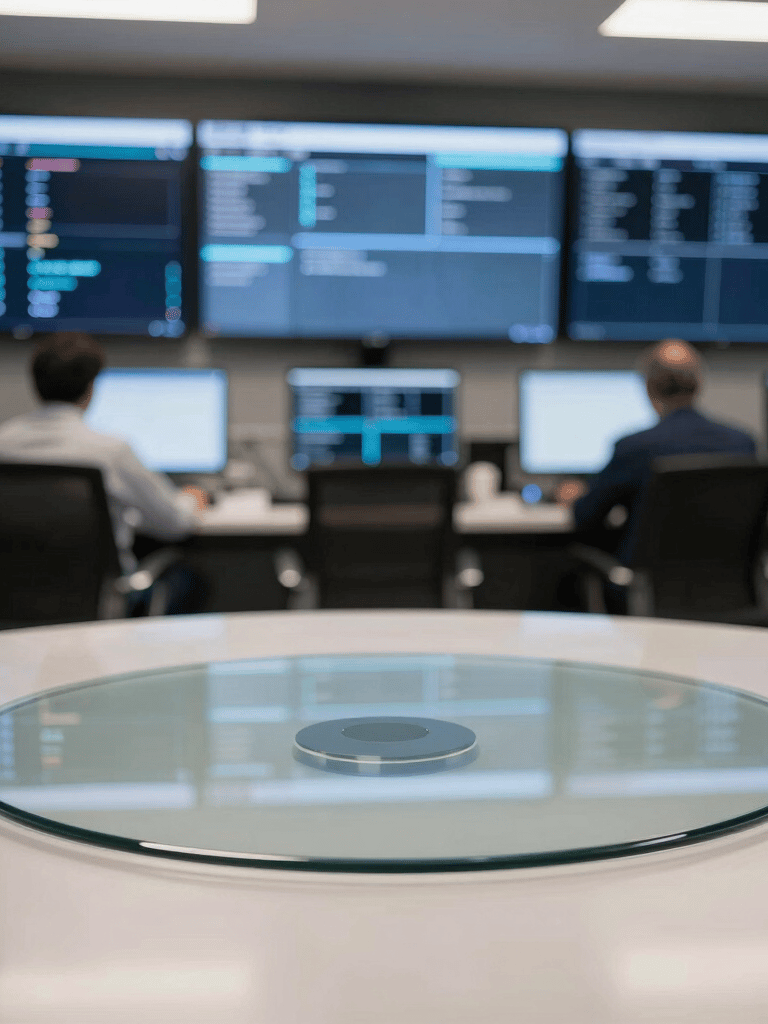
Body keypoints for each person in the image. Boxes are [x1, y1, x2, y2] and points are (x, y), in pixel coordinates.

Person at [0, 332, 209, 612]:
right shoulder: (109, 451)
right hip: (97, 603)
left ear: (34, 384)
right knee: (193, 579)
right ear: (91, 388)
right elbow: (175, 522)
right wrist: (193, 498)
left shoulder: (3, 443)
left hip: (12, 606)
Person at [558, 338, 757, 567]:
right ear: (700, 383)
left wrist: (572, 496)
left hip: (648, 591)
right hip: (726, 591)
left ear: (648, 386)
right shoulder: (742, 444)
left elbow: (586, 518)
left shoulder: (634, 448)